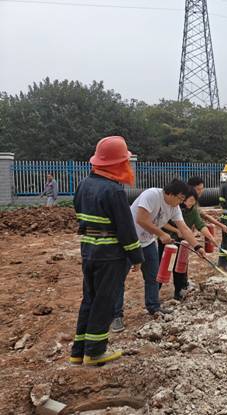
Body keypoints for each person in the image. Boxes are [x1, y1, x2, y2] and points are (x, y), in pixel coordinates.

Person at [70, 136, 144, 366]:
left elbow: (78, 211)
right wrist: (136, 256)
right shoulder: (114, 190)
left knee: (89, 299)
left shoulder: (84, 184)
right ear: (117, 163)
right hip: (110, 255)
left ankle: (78, 351)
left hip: (88, 250)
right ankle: (95, 352)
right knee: (104, 301)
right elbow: (125, 227)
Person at [113, 179, 205, 329]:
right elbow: (141, 220)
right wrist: (161, 234)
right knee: (118, 278)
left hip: (147, 242)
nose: (181, 202)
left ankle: (154, 306)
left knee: (153, 276)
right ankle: (116, 315)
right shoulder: (152, 195)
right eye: (180, 198)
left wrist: (197, 246)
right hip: (128, 241)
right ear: (171, 193)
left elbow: (184, 229)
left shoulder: (174, 207)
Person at [158, 184, 218, 301]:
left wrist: (211, 238)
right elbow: (162, 223)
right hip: (167, 241)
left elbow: (200, 225)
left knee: (180, 267)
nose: (192, 203)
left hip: (183, 242)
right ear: (183, 198)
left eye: (194, 201)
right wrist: (176, 230)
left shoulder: (193, 211)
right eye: (190, 200)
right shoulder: (174, 208)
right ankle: (155, 294)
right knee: (163, 267)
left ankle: (179, 291)